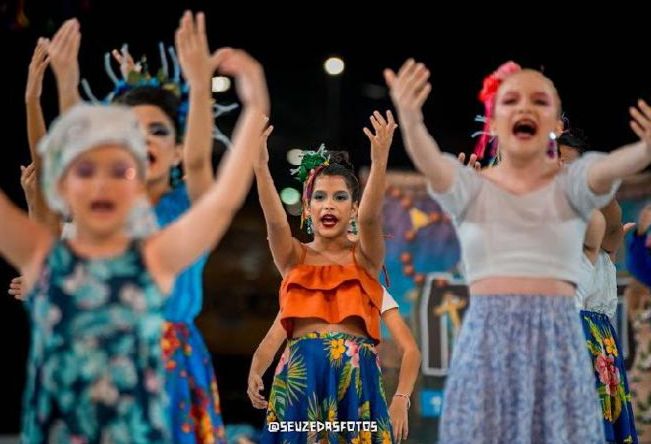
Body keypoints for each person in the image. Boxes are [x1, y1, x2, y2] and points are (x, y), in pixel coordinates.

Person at [1, 25, 269, 442]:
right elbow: (70, 156)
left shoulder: (155, 256)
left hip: (162, 381)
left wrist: (248, 104)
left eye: (120, 169)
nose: (102, 183)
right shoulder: (46, 254)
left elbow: (217, 193)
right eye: (88, 171)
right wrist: (52, 92)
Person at [385, 58, 651, 442]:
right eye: (510, 101)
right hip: (489, 342)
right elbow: (429, 160)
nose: (525, 108)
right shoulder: (473, 188)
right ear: (493, 123)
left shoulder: (575, 195)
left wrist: (643, 151)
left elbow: (606, 171)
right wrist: (410, 120)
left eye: (539, 101)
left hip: (560, 342)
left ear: (556, 125)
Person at [252, 115, 420, 443]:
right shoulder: (294, 260)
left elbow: (371, 219)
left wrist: (379, 162)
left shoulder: (365, 261)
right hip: (301, 382)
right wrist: (260, 166)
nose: (329, 205)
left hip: (357, 385)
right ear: (307, 208)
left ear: (354, 209)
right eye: (320, 197)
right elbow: (275, 222)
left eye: (340, 197)